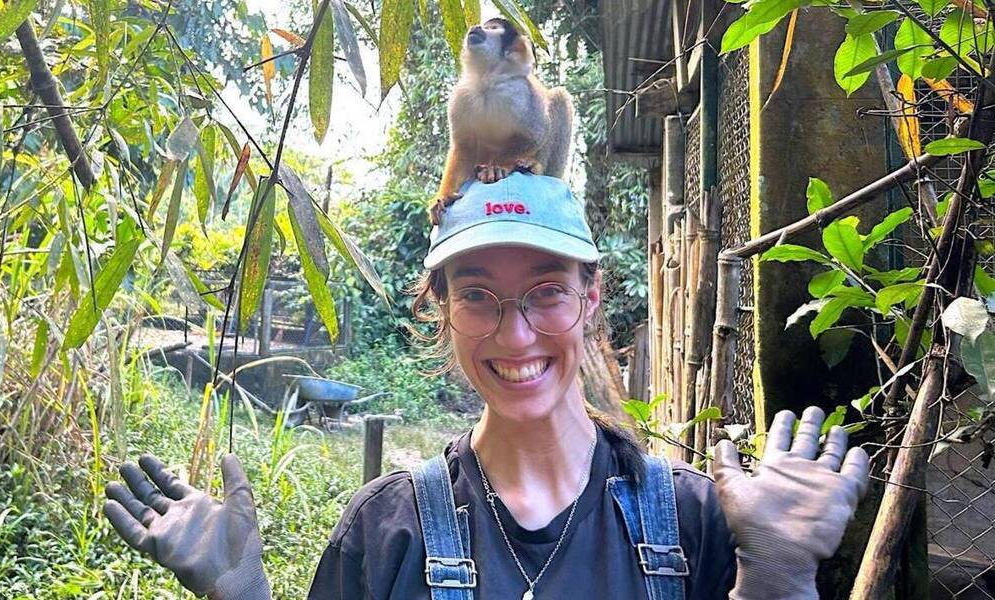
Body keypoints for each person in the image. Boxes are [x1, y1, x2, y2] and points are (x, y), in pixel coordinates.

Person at [103, 173, 871, 599]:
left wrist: (776, 580)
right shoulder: (387, 528)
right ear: (442, 308)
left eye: (546, 290)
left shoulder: (698, 522)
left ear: (591, 296)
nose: (514, 334)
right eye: (476, 295)